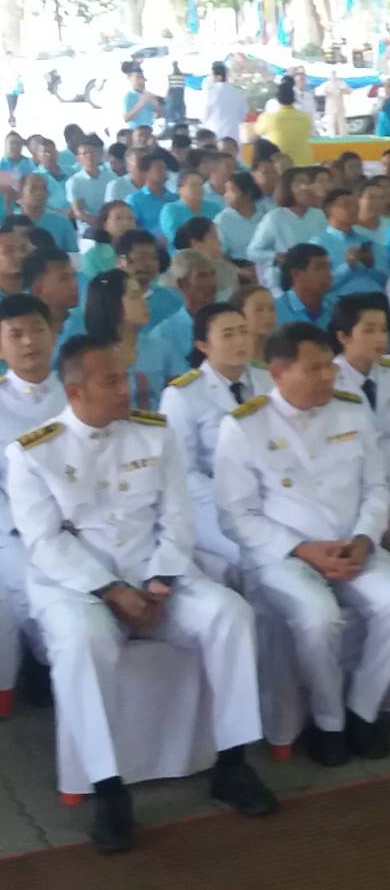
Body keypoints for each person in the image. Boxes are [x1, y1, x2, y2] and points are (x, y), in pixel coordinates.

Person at [11, 336, 276, 851]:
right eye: (110, 380)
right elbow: (45, 544)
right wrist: (112, 591)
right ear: (74, 389)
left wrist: (157, 584)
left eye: (124, 375)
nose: (126, 387)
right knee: (83, 641)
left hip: (157, 576)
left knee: (231, 615)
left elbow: (177, 518)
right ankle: (109, 791)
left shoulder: (155, 435)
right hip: (78, 587)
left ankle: (233, 763)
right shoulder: (33, 453)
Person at [216, 323, 390, 768]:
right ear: (278, 373)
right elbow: (236, 516)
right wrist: (301, 549)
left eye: (330, 366)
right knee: (318, 616)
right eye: (314, 369)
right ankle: (328, 722)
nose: (329, 377)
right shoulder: (244, 427)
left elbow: (376, 488)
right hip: (285, 558)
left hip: (355, 547)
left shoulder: (352, 411)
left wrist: (366, 539)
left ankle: (364, 711)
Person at [160, 302, 271, 583]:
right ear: (203, 345)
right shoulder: (183, 394)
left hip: (272, 491)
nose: (239, 341)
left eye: (243, 332)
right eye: (228, 335)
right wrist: (236, 496)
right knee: (258, 554)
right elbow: (183, 471)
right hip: (211, 503)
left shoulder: (267, 380)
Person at [0, 294, 67, 708]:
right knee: (30, 581)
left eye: (37, 330)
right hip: (14, 525)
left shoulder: (78, 390)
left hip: (84, 518)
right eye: (15, 334)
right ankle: (45, 664)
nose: (29, 342)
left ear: (54, 333)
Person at [84, 268, 186, 410]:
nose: (144, 303)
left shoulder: (162, 348)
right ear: (112, 303)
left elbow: (183, 397)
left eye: (142, 296)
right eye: (134, 297)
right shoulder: (90, 356)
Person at [330, 294, 390, 445]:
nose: (381, 338)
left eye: (383, 330)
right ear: (343, 337)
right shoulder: (328, 381)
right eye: (369, 331)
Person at [247, 168, 328, 292]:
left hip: (314, 278)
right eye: (301, 184)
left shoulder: (318, 215)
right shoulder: (274, 217)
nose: (307, 188)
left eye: (309, 183)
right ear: (288, 189)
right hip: (284, 282)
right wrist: (275, 256)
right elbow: (252, 251)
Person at [153, 249, 219, 364]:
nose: (211, 282)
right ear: (182, 284)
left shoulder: (226, 319)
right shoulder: (166, 332)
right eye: (202, 276)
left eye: (212, 274)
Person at [255, 77, 312, 165]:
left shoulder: (267, 118)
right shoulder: (306, 118)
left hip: (279, 168)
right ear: (294, 98)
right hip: (304, 165)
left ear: (277, 98)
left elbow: (256, 132)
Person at [202, 61, 248, 145]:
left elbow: (204, 116)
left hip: (214, 134)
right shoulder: (239, 93)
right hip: (233, 134)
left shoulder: (210, 93)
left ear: (217, 77)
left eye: (211, 76)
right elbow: (243, 115)